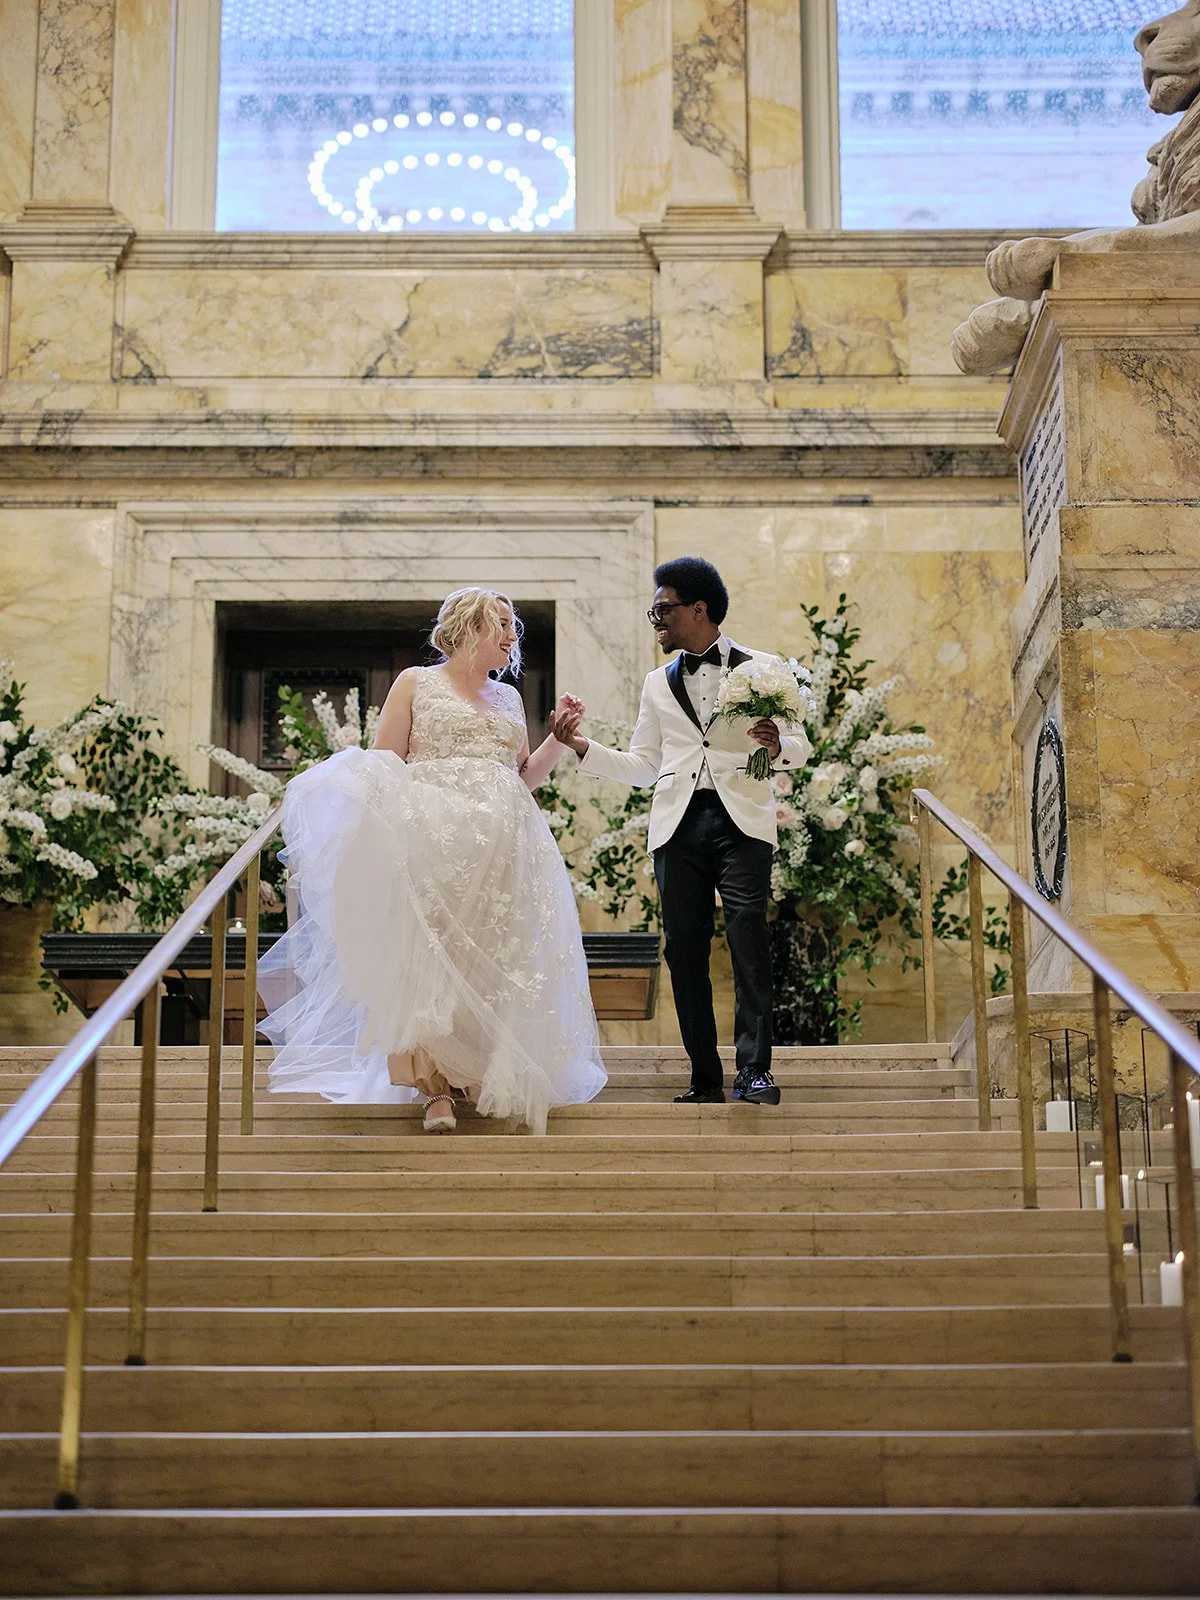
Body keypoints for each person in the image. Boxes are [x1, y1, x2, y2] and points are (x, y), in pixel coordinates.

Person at [258, 587, 606, 1135]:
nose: (514, 636)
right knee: (428, 962)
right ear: (470, 625)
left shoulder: (510, 699)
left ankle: (485, 1073)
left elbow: (523, 779)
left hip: (505, 850)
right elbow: (384, 763)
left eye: (514, 626)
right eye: (505, 624)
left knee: (497, 960)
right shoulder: (416, 683)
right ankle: (435, 1089)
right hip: (432, 842)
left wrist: (559, 741)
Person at [551, 556, 811, 1105]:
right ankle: (704, 1077)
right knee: (685, 950)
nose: (656, 619)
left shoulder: (763, 667)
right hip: (676, 824)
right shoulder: (656, 683)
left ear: (699, 609)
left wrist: (776, 746)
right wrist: (582, 748)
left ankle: (754, 1071)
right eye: (653, 610)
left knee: (748, 934)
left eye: (663, 608)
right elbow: (646, 764)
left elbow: (800, 746)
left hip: (743, 820)